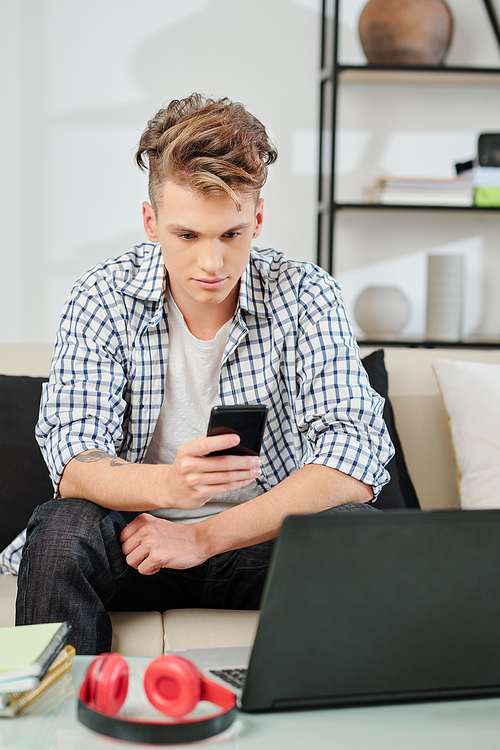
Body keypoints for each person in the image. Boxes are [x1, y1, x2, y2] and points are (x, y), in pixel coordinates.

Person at [16, 94, 393, 654]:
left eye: (231, 235)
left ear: (258, 218)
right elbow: (73, 460)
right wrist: (171, 486)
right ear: (152, 222)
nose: (211, 264)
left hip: (255, 541)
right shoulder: (102, 296)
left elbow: (353, 459)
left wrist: (200, 536)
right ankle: (55, 732)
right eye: (188, 236)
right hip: (135, 543)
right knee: (61, 529)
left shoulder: (307, 293)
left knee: (356, 532)